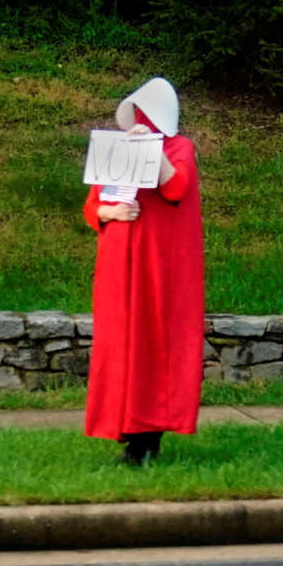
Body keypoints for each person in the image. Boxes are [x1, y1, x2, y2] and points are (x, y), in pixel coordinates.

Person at [83, 76, 206, 464]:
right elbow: (93, 205)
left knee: (152, 343)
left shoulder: (179, 148)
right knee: (119, 343)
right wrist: (111, 212)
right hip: (119, 267)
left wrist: (151, 150)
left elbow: (176, 188)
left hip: (156, 268)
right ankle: (126, 429)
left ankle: (145, 439)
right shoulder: (118, 148)